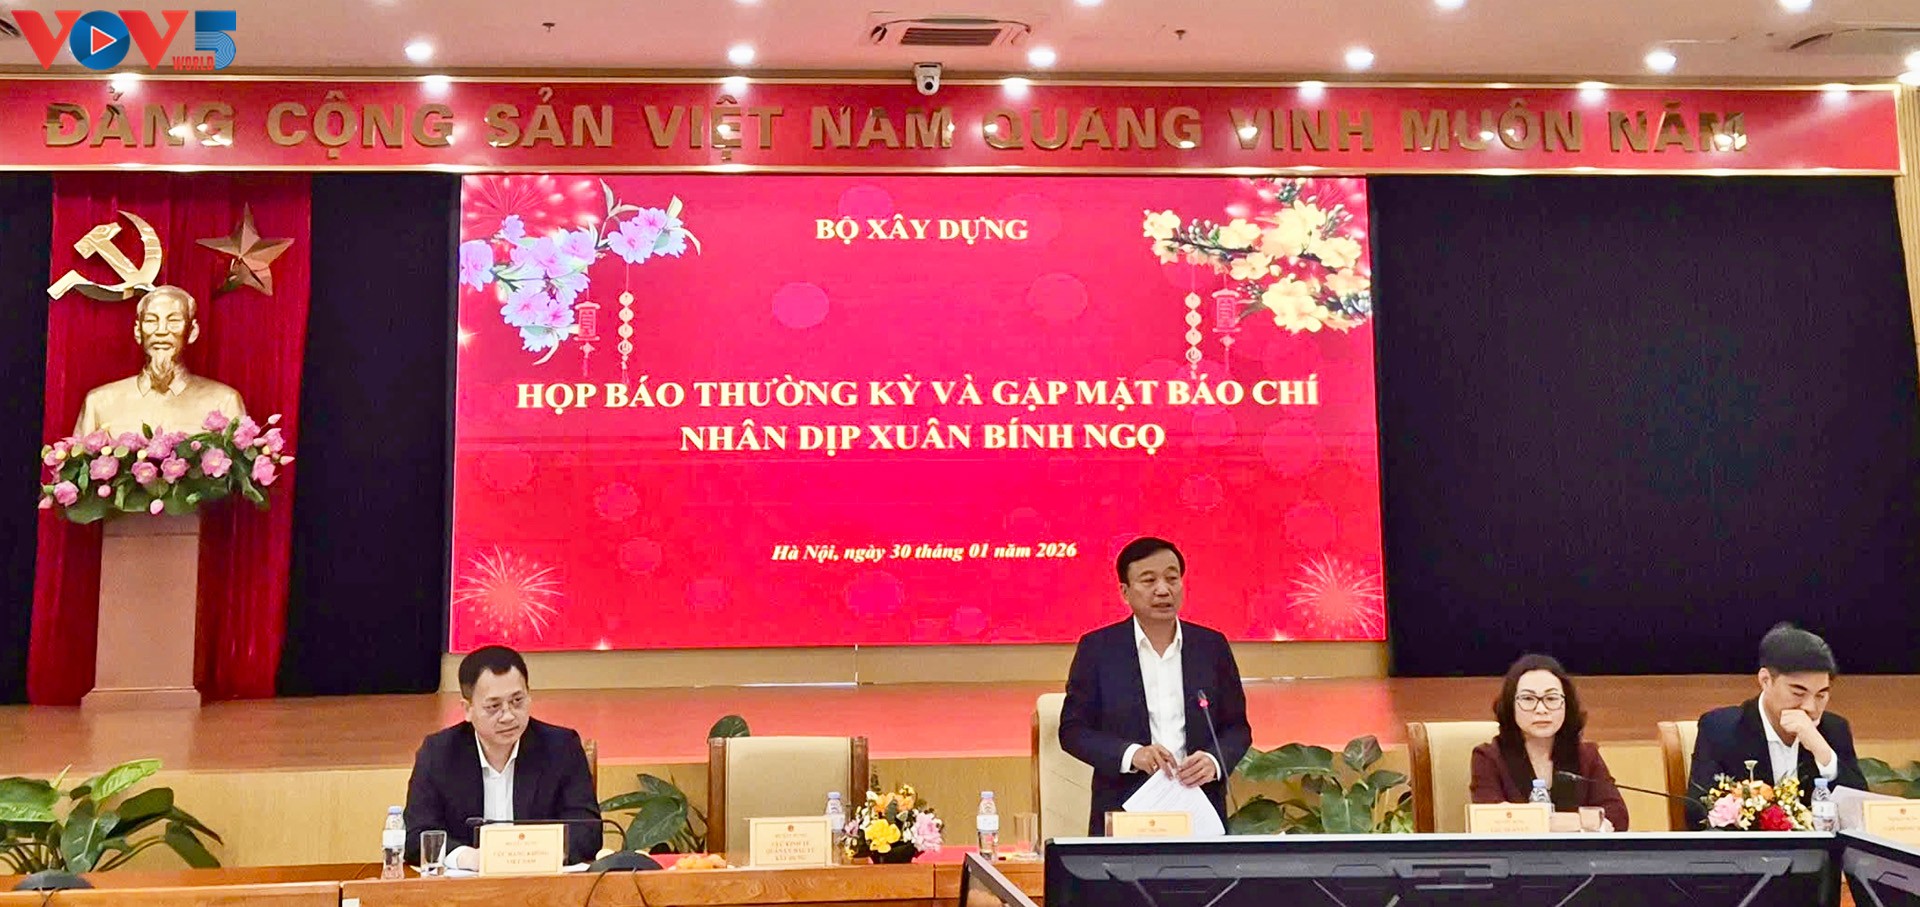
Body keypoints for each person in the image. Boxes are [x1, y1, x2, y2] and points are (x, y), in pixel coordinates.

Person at [1058, 537, 1252, 836]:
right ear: (1125, 591)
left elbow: (1237, 728)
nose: (1163, 589)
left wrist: (1213, 761)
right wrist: (1132, 755)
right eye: (1149, 580)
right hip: (1125, 808)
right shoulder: (1098, 649)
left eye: (1172, 579)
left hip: (1198, 807)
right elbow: (1073, 731)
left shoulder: (1211, 646)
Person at [403, 645, 601, 868]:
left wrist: (531, 854)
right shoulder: (439, 753)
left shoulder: (561, 747)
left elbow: (588, 831)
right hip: (469, 884)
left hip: (540, 880)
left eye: (517, 701)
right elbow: (416, 836)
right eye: (494, 706)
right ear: (467, 709)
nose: (508, 716)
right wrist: (467, 857)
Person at [1687, 623, 1866, 818]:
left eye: (1821, 695)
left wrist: (1822, 753)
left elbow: (1862, 815)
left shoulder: (1834, 729)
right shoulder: (1720, 729)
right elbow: (1698, 813)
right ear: (1765, 680)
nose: (1810, 707)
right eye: (1798, 693)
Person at [1469, 654, 1629, 831]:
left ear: (1566, 704)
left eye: (1551, 699)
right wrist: (1584, 822)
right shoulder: (1489, 758)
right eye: (1528, 699)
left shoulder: (1586, 755)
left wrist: (1528, 821)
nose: (1541, 709)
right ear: (1510, 705)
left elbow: (1617, 816)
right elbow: (1489, 820)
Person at [74, 285, 246, 436]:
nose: (161, 331)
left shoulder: (224, 402)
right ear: (138, 331)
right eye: (151, 321)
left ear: (192, 331)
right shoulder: (100, 402)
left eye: (174, 321)